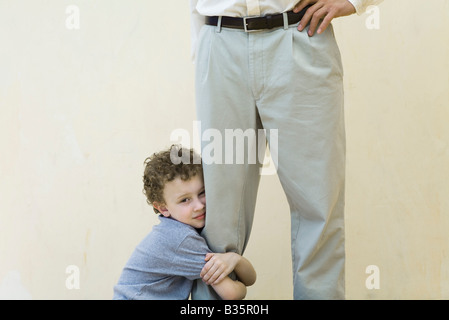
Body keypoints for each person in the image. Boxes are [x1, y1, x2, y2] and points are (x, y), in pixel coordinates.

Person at [189, 0, 383, 300]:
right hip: (219, 42)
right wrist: (201, 47)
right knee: (216, 211)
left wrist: (355, 2)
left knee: (319, 205)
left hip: (299, 35)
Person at [113, 145, 256, 300]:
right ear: (163, 208)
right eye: (185, 200)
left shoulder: (174, 230)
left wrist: (235, 259)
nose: (199, 206)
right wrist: (236, 266)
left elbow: (251, 279)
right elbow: (233, 294)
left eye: (202, 192)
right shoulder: (181, 239)